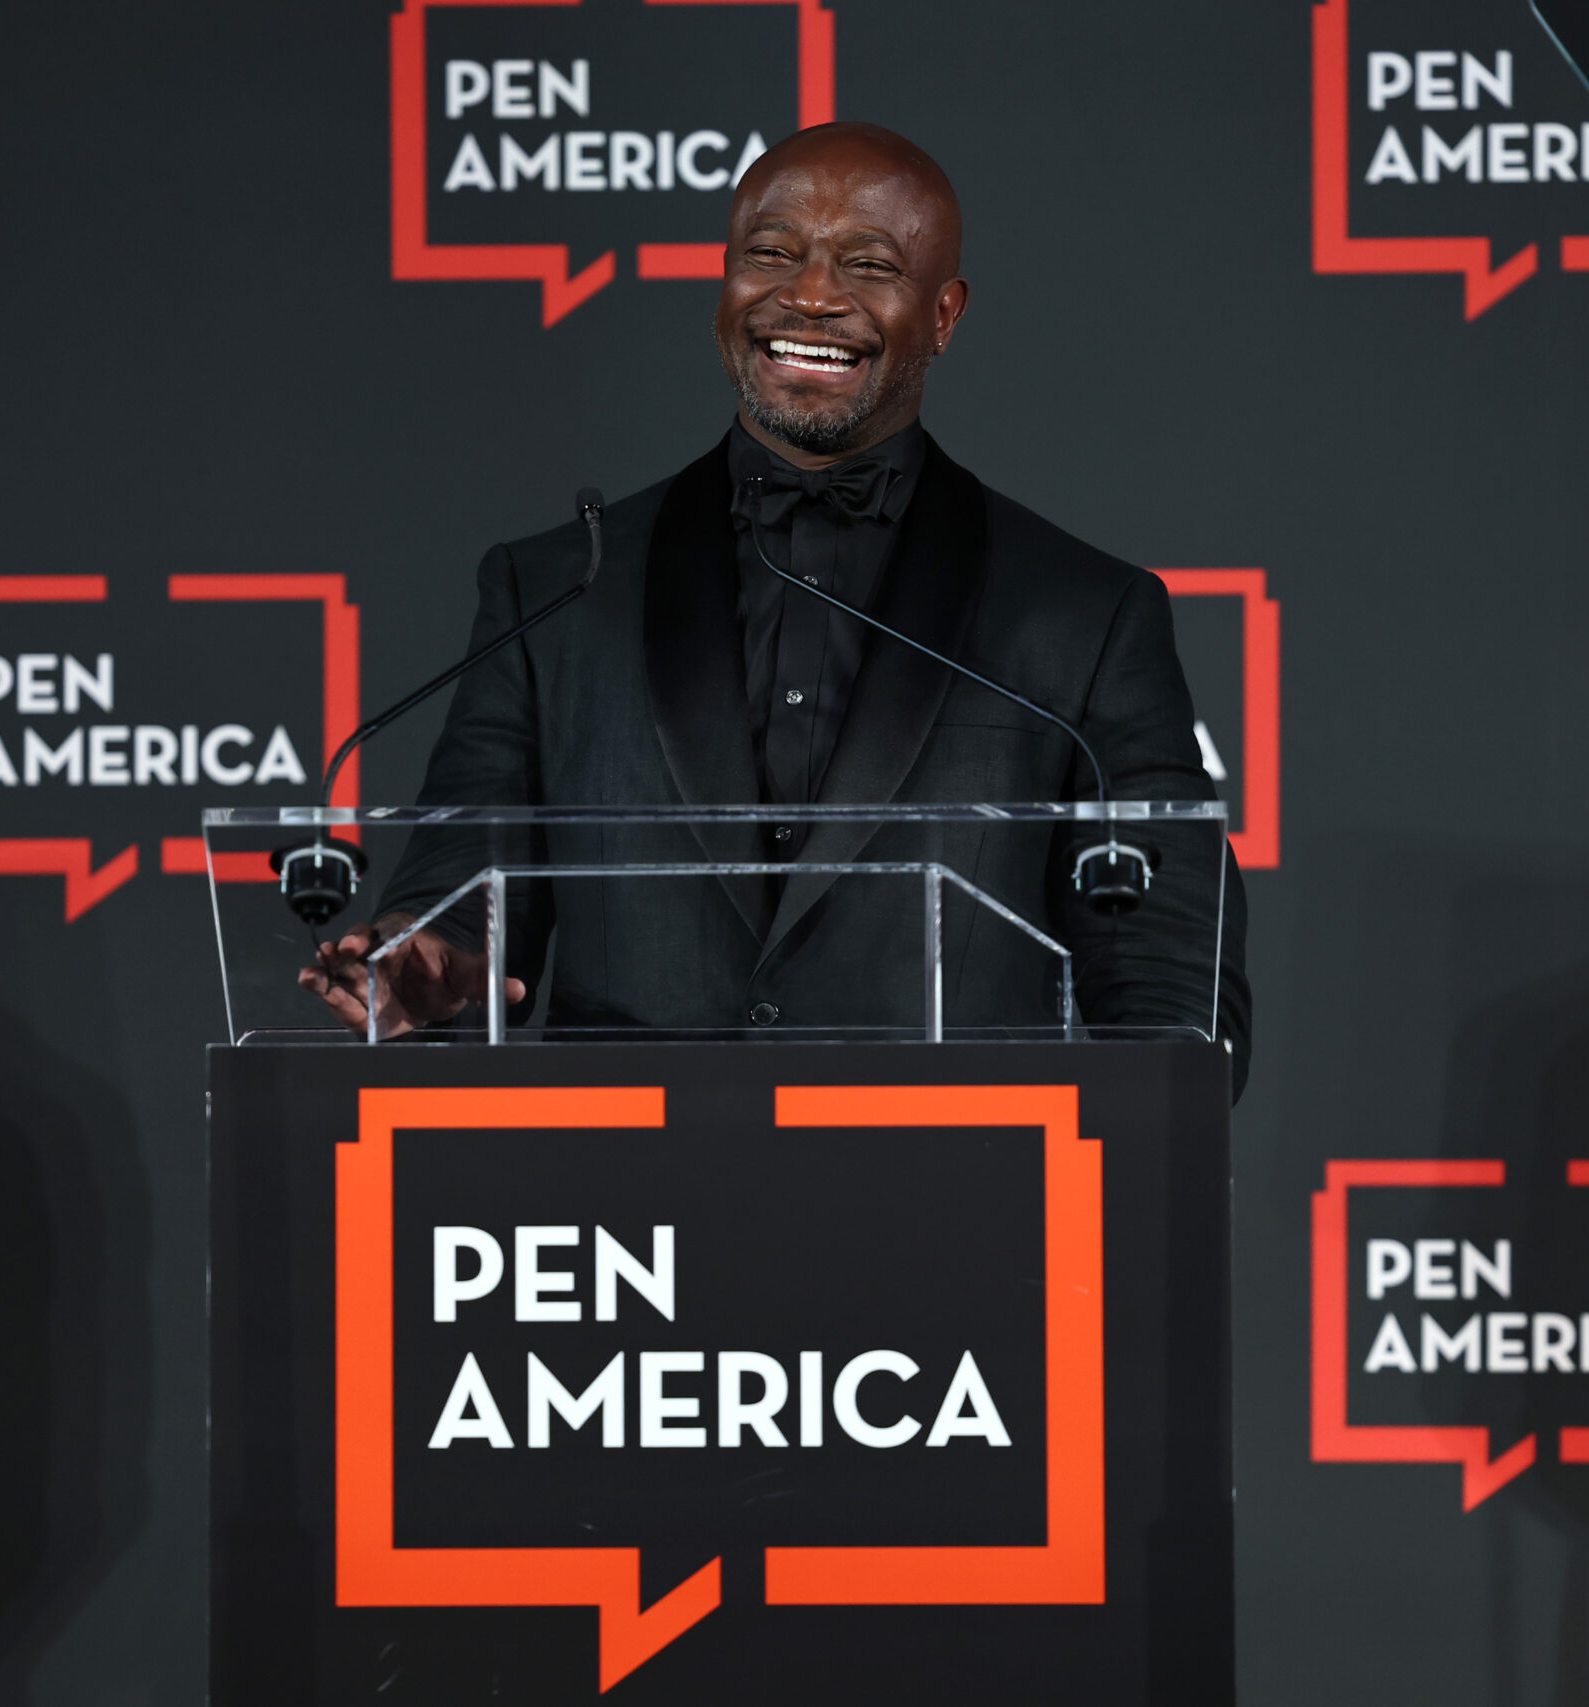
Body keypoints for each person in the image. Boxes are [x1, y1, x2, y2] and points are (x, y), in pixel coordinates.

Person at [301, 121, 1252, 1093]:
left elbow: (1167, 984)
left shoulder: (1084, 613)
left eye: (868, 263)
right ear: (723, 283)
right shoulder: (555, 593)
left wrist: (1146, 1154)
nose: (809, 294)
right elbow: (458, 909)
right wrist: (423, 978)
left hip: (962, 1207)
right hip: (621, 1205)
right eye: (771, 253)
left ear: (943, 314)